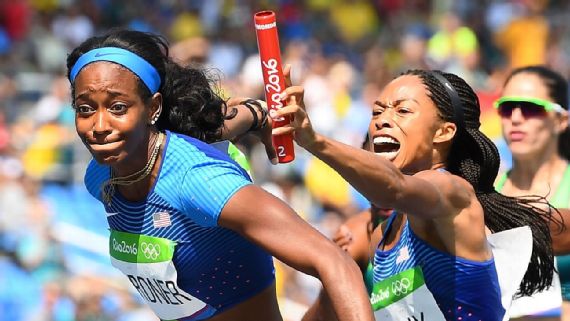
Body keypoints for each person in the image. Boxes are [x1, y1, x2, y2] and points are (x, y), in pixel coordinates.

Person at [65, 29, 374, 321]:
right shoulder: (100, 177)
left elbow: (335, 261)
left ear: (153, 108)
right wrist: (256, 114)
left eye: (118, 107)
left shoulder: (200, 179)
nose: (99, 126)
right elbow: (197, 134)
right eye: (85, 109)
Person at [273, 68, 559, 321]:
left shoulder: (453, 194)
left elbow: (394, 188)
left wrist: (314, 141)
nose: (382, 121)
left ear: (444, 132)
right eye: (377, 111)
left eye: (402, 110)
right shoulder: (381, 236)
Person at [494, 65, 570, 321]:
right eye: (506, 108)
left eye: (530, 108)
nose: (515, 118)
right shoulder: (481, 194)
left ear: (561, 120)